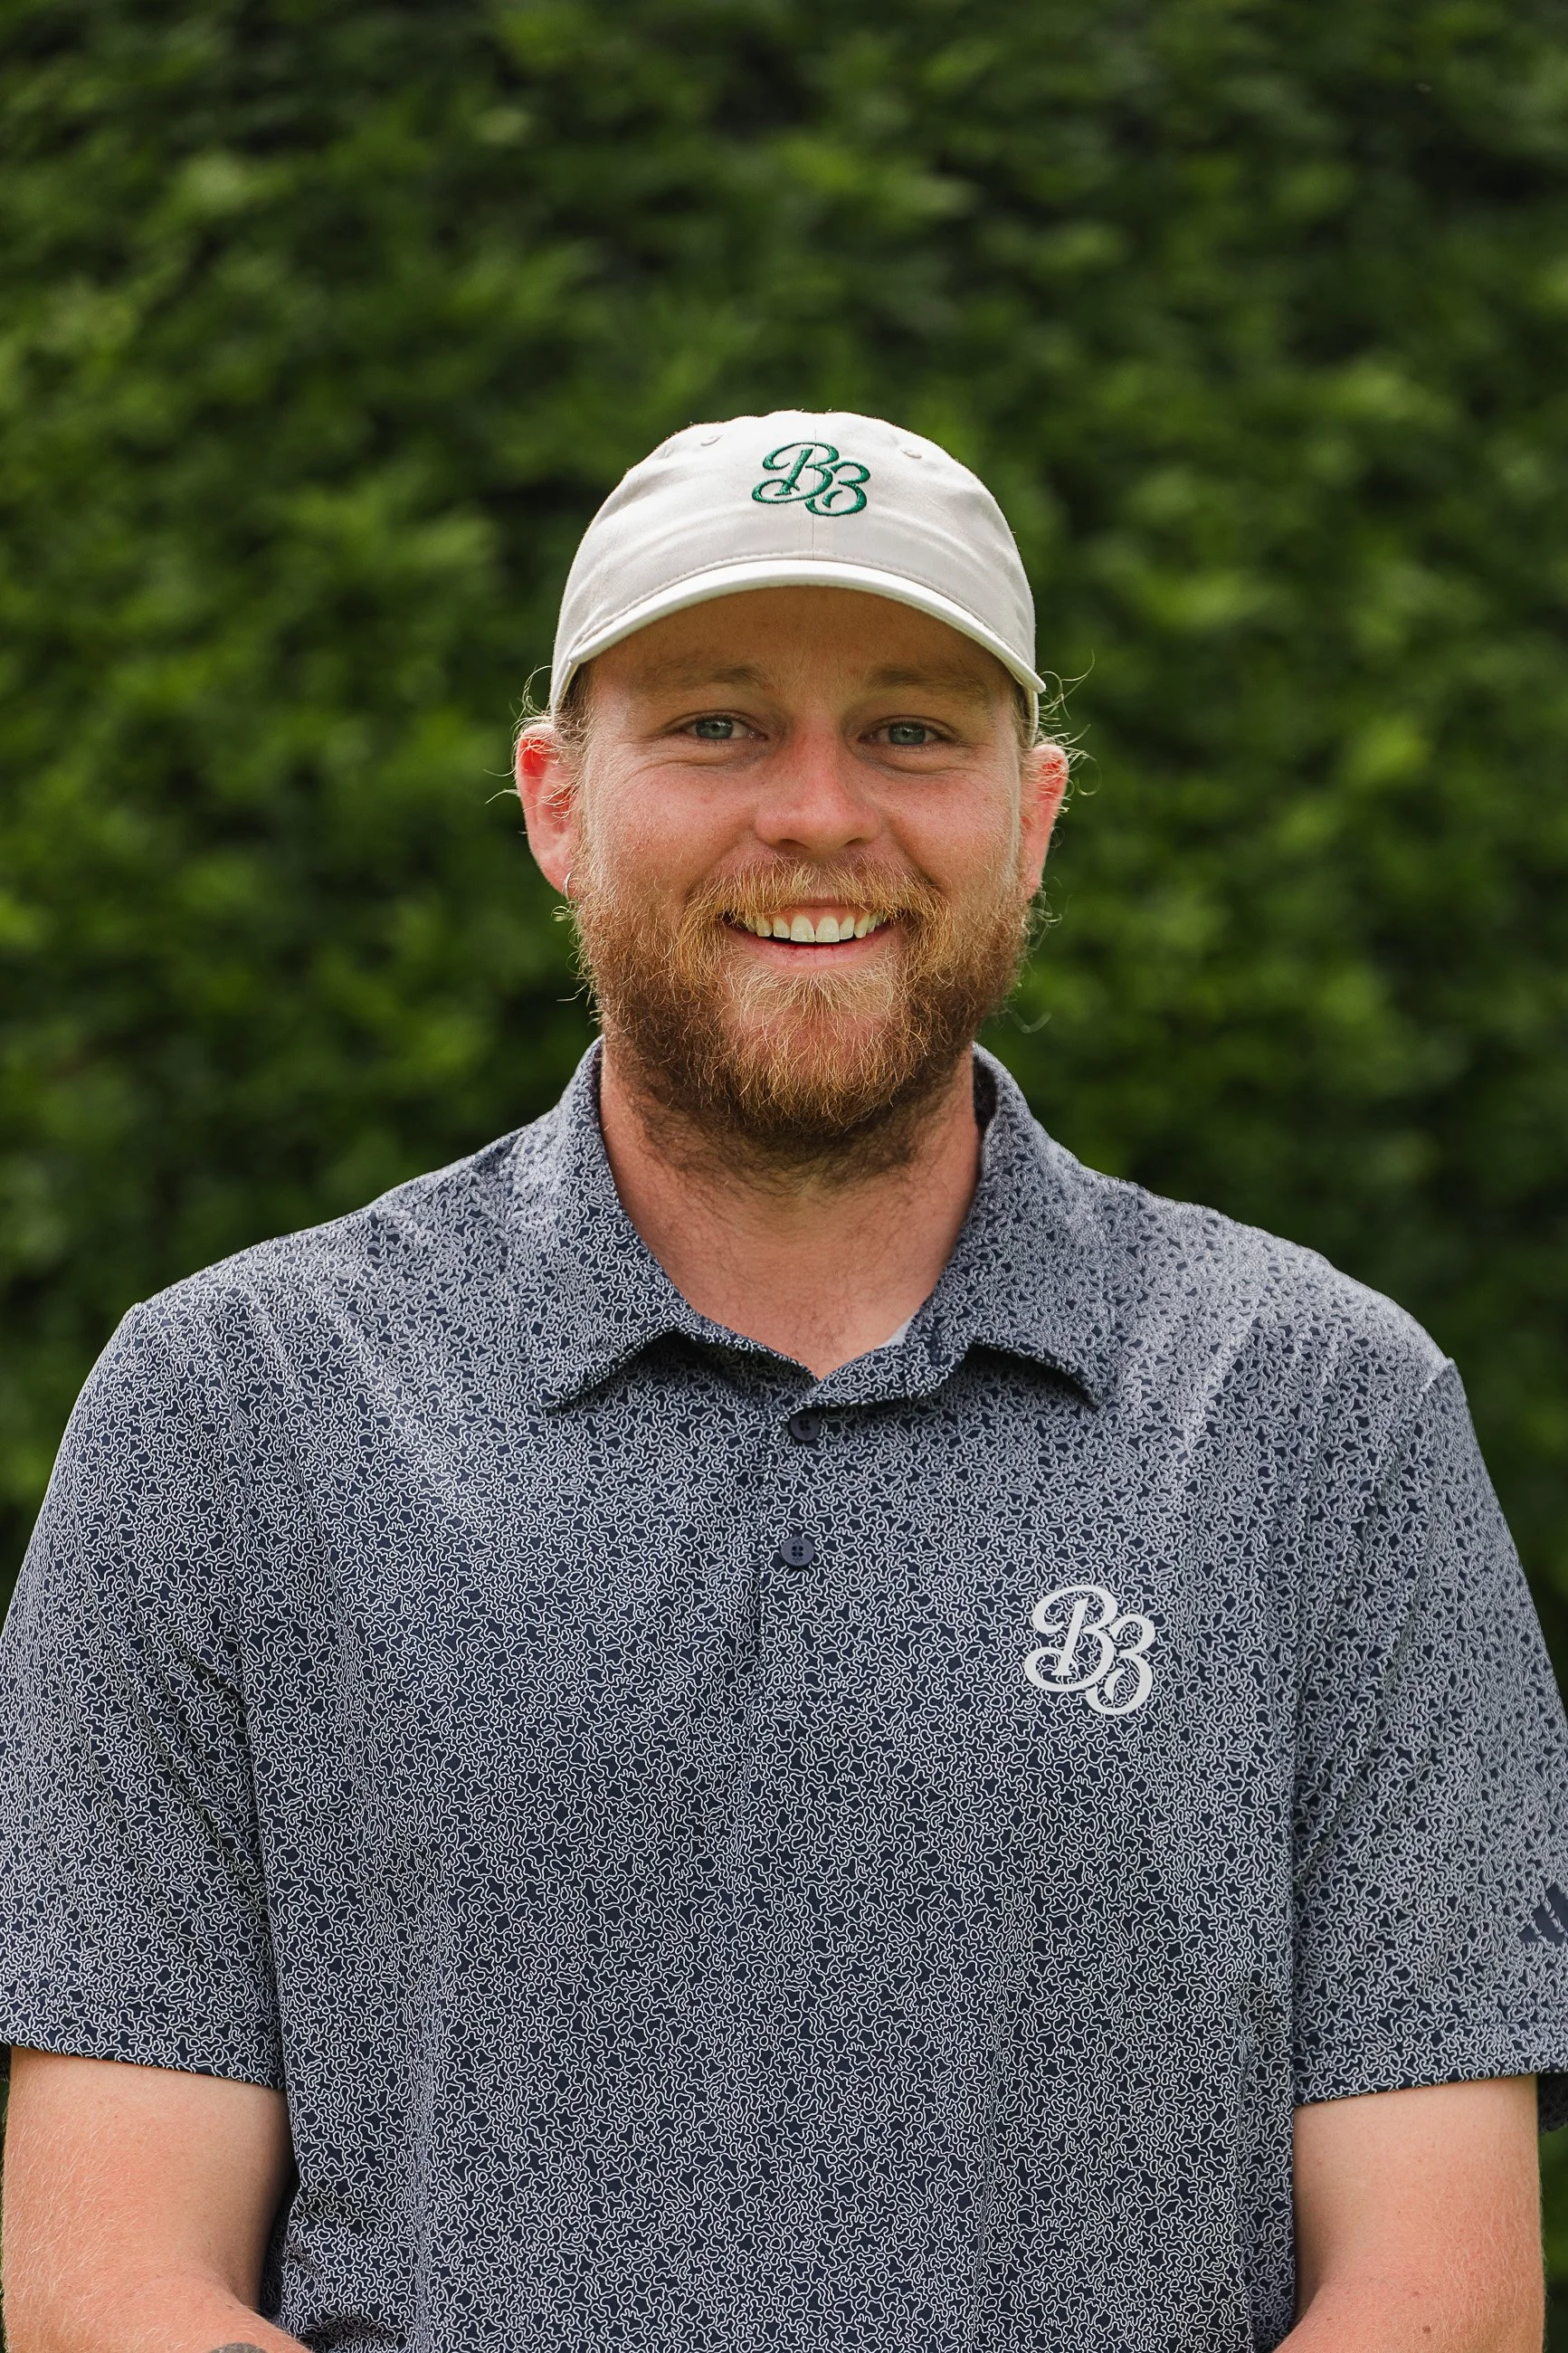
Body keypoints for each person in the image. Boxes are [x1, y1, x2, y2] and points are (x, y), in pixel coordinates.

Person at [2, 410, 1565, 2353]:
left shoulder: (1322, 1419)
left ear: (1032, 814)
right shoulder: (229, 1417)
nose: (817, 812)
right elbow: (104, 2285)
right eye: (718, 724)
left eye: (910, 727)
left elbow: (1439, 2291)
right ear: (554, 800)